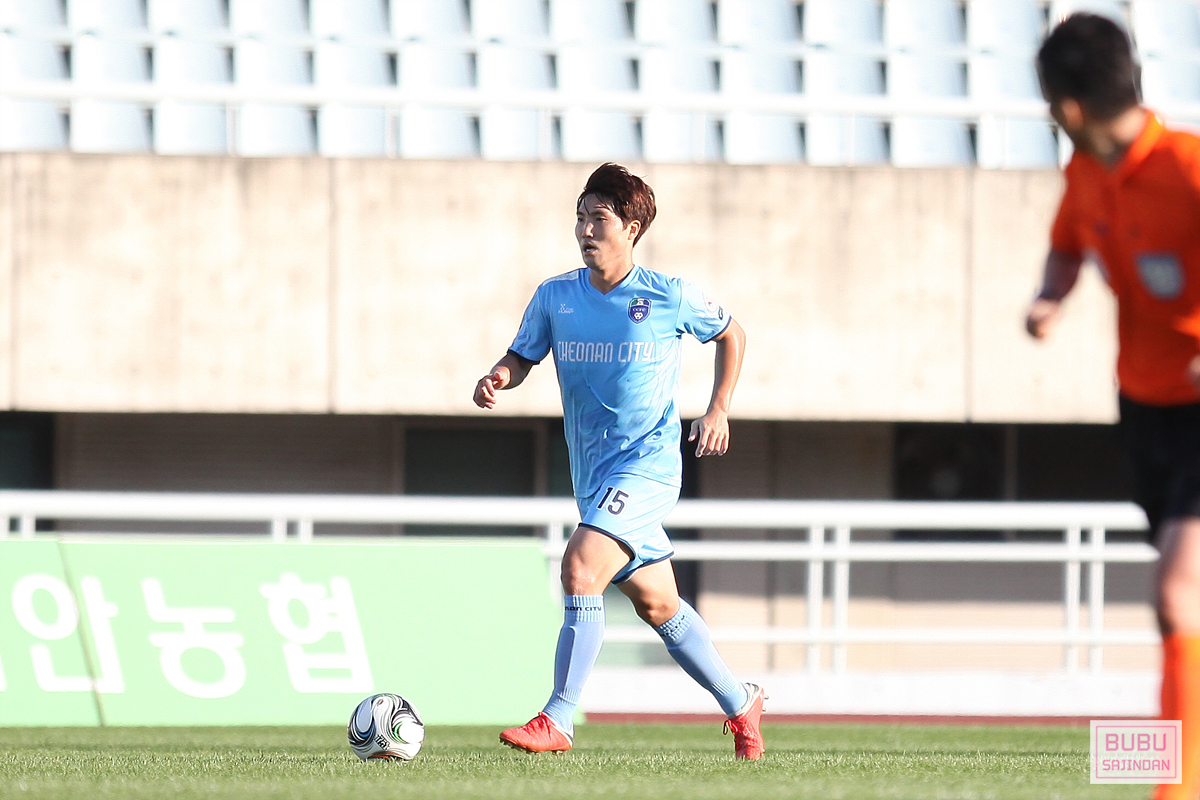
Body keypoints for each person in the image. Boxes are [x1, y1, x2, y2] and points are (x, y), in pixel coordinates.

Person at [472, 163, 763, 759]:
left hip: (648, 467)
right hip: (593, 476)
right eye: (580, 216)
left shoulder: (667, 295)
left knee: (581, 566)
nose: (585, 229)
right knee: (659, 605)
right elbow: (523, 355)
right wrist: (501, 374)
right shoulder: (555, 297)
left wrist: (718, 408)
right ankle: (742, 704)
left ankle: (558, 718)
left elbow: (732, 334)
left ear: (631, 228)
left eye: (598, 218)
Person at [1028, 14, 1200, 799]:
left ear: (1067, 107)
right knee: (1182, 599)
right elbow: (1068, 244)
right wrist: (1050, 296)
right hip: (1145, 410)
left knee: (1176, 593)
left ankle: (1176, 789)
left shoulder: (1187, 169)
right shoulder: (1086, 173)